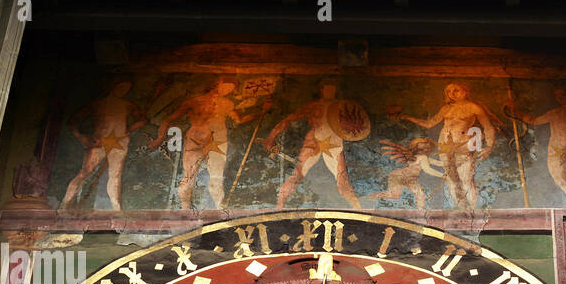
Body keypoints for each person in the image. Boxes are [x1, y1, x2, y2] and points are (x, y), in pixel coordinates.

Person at [147, 80, 263, 210]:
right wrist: (159, 139)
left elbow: (239, 120)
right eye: (227, 87)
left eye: (231, 89)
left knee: (217, 177)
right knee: (189, 176)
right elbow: (168, 120)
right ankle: (185, 210)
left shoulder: (227, 103)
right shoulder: (193, 102)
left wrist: (261, 112)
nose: (228, 91)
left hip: (218, 141)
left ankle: (220, 209)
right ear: (216, 85)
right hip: (196, 140)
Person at [264, 82, 364, 209]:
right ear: (322, 89)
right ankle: (279, 206)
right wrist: (271, 137)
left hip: (335, 142)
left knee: (343, 179)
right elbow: (289, 120)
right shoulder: (314, 106)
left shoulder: (341, 107)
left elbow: (355, 125)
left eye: (333, 88)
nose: (330, 91)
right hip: (313, 141)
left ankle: (359, 209)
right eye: (327, 87)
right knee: (297, 174)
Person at [61, 79, 146, 211]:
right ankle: (65, 204)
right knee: (85, 173)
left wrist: (128, 130)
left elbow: (143, 120)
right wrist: (81, 137)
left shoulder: (127, 105)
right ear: (113, 86)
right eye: (121, 87)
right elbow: (73, 121)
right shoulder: (97, 104)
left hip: (119, 143)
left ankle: (116, 209)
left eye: (127, 89)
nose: (123, 91)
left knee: (115, 175)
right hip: (99, 142)